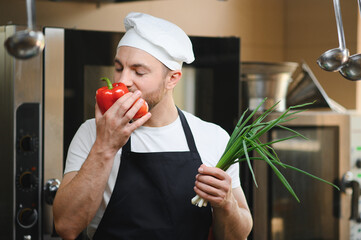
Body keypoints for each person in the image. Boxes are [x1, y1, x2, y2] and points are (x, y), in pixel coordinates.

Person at [53, 12, 253, 240]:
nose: (123, 81)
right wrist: (105, 147)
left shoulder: (213, 137)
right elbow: (66, 226)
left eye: (139, 71)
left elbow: (238, 235)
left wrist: (226, 204)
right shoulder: (91, 133)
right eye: (119, 67)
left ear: (173, 79)